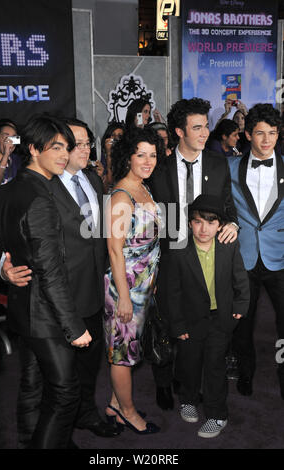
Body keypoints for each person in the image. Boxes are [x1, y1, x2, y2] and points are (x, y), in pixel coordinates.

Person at [0, 118, 118, 446]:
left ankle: (66, 432)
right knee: (47, 386)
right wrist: (4, 267)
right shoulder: (37, 189)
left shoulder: (92, 180)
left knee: (75, 380)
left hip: (86, 293)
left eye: (75, 145)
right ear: (35, 149)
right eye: (62, 146)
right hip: (50, 307)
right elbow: (21, 251)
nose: (71, 152)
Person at [147, 97, 239, 411]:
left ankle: (190, 383)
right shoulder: (158, 170)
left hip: (204, 259)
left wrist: (233, 224)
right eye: (197, 127)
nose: (204, 133)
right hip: (171, 257)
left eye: (206, 126)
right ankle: (163, 382)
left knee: (197, 325)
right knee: (166, 321)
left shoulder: (217, 163)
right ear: (179, 131)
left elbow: (227, 206)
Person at [167, 194, 249, 438]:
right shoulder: (179, 251)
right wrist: (177, 323)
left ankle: (217, 414)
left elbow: (240, 278)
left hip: (221, 319)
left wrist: (240, 306)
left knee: (214, 367)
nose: (204, 229)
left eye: (211, 223)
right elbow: (172, 292)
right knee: (189, 363)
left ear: (220, 225)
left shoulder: (228, 247)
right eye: (198, 222)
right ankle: (188, 399)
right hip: (190, 321)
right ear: (190, 223)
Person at [104, 127, 163, 434]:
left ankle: (114, 404)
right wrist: (124, 297)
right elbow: (114, 250)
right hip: (124, 288)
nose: (147, 160)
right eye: (140, 154)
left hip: (143, 286)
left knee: (128, 350)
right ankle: (128, 412)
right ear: (128, 156)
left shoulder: (143, 187)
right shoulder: (122, 196)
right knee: (122, 354)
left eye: (152, 154)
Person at [228, 103, 284, 398]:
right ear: (248, 134)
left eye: (272, 133)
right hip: (243, 257)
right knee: (243, 322)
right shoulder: (229, 167)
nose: (266, 140)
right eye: (260, 133)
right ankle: (245, 372)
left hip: (281, 257)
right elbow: (222, 207)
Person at [101, 121, 125, 191]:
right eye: (113, 135)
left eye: (119, 136)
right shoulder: (100, 155)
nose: (115, 139)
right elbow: (109, 181)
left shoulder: (126, 157)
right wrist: (108, 152)